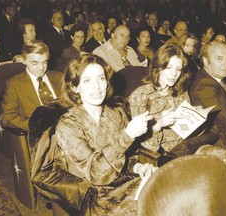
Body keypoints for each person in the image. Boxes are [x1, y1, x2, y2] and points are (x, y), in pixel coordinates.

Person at [48, 54, 157, 214]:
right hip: (90, 195)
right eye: (87, 81)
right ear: (74, 87)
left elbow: (126, 158)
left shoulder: (115, 114)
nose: (97, 87)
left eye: (101, 78)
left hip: (120, 185)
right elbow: (97, 174)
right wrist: (127, 135)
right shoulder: (68, 124)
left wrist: (138, 167)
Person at [129, 44, 218, 162]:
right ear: (158, 67)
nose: (174, 74)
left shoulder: (181, 91)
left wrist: (196, 117)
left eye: (178, 69)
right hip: (163, 157)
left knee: (221, 157)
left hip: (187, 148)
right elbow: (145, 148)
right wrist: (159, 125)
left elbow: (190, 133)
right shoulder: (140, 96)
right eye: (169, 68)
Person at [0, 40, 63, 131]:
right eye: (35, 63)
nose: (41, 68)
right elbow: (6, 117)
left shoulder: (58, 77)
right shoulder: (14, 84)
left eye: (44, 62)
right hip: (41, 137)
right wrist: (34, 124)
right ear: (23, 60)